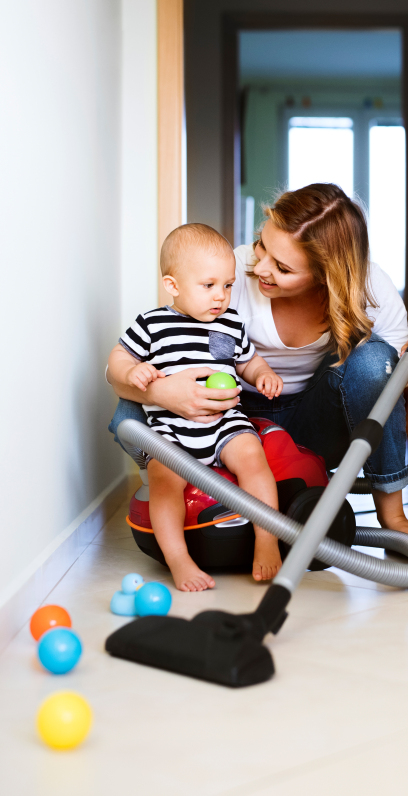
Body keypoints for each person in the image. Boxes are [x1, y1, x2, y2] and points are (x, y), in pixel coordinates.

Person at [108, 183, 408, 561]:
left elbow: (405, 423)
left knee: (373, 361)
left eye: (283, 268)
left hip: (310, 424)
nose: (261, 269)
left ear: (325, 276)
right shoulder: (226, 272)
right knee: (128, 415)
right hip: (222, 416)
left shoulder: (371, 290)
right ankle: (173, 478)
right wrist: (163, 394)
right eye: (262, 246)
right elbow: (135, 363)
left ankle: (393, 518)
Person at [108, 224, 284, 591]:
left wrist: (262, 373)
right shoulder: (153, 324)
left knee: (254, 459)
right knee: (165, 482)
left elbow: (246, 362)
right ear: (173, 285)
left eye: (228, 285)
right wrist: (134, 370)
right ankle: (180, 560)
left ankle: (267, 541)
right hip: (172, 430)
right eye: (208, 286)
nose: (220, 296)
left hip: (225, 423)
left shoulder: (230, 324)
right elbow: (118, 358)